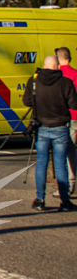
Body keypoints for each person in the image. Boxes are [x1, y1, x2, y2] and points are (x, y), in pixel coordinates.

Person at [23, 55, 77, 211]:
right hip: (60, 127)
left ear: (44, 66)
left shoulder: (34, 81)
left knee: (41, 164)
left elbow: (27, 101)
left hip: (41, 127)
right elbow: (74, 104)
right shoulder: (65, 83)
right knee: (60, 164)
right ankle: (65, 201)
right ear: (57, 66)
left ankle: (40, 199)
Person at [55, 47, 77, 197]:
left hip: (63, 117)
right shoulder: (75, 73)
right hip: (76, 115)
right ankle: (72, 182)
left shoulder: (57, 76)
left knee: (63, 152)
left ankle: (67, 186)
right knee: (73, 150)